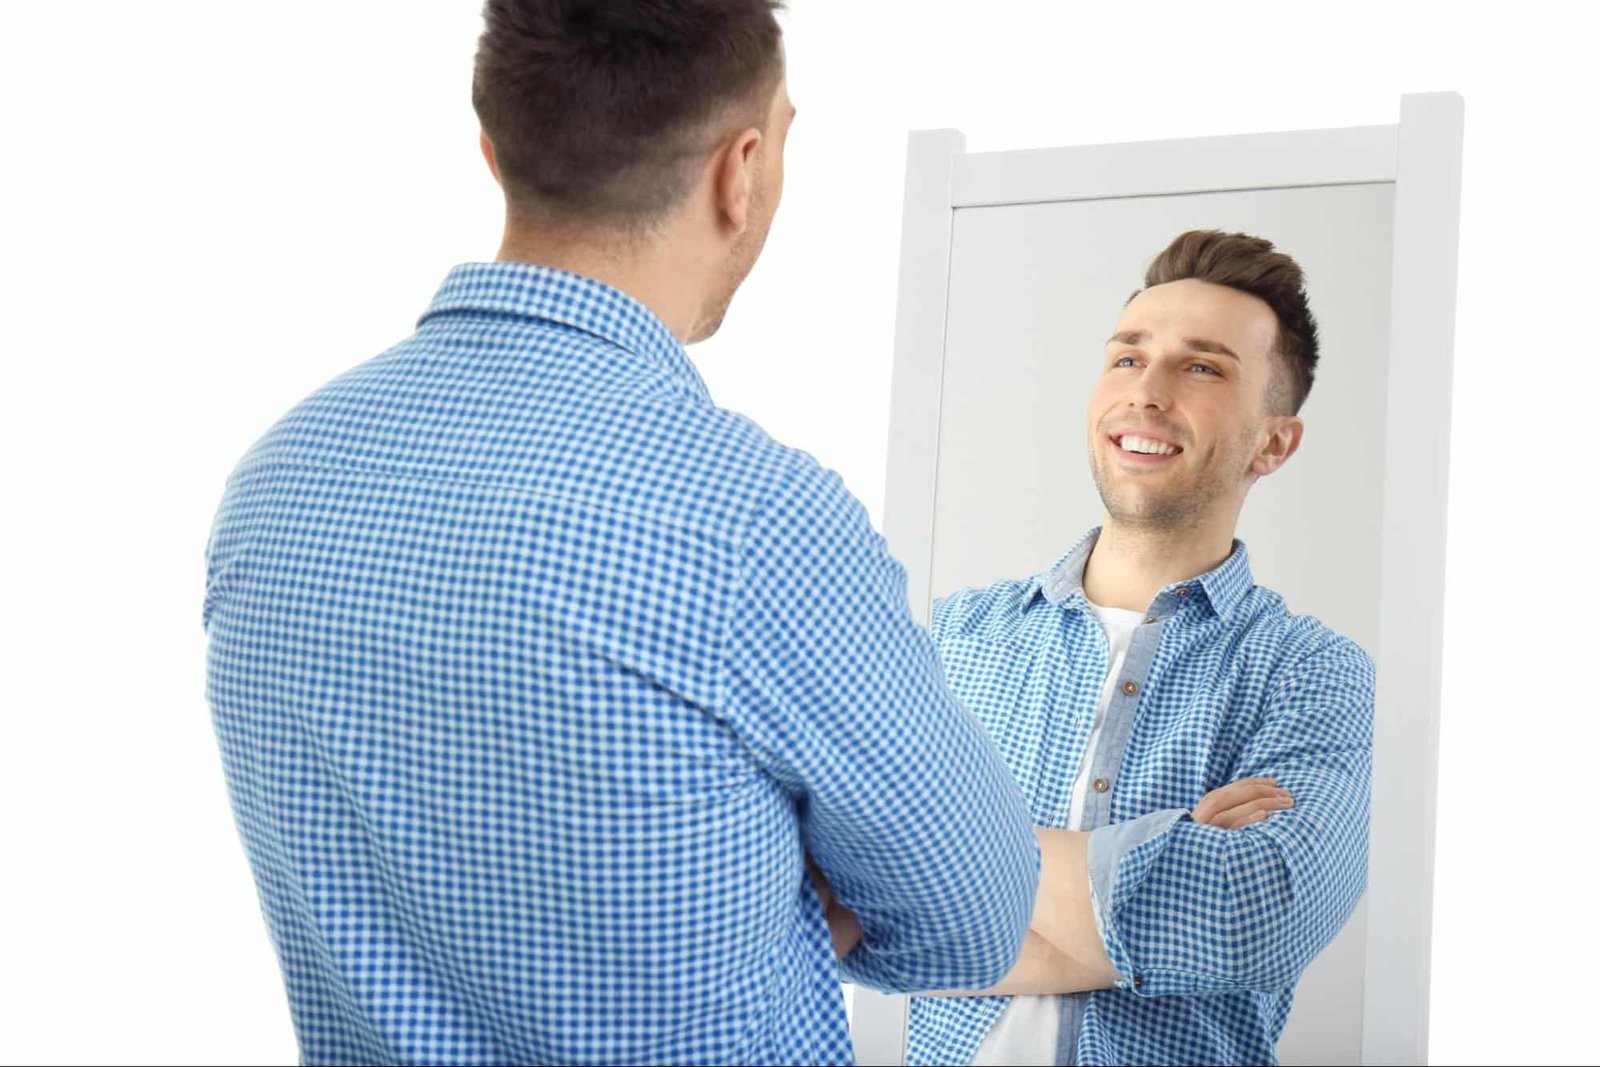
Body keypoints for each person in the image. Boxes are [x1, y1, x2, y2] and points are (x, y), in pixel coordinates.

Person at [201, 3, 1040, 1064]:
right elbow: (972, 914)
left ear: (495, 150)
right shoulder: (755, 523)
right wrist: (784, 890)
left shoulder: (278, 479)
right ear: (742, 171)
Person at [832, 230, 1375, 1065]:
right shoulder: (955, 636)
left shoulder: (1313, 674)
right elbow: (840, 900)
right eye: (1127, 358)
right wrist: (1162, 861)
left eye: (1203, 367)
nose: (1147, 393)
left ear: (1273, 442)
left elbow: (1252, 914)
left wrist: (939, 839)